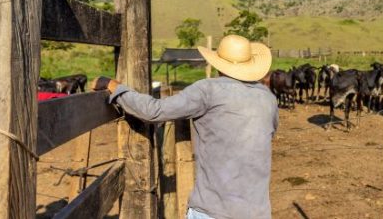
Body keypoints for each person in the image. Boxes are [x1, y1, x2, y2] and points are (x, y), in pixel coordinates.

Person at [91, 34, 278, 219]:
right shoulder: (267, 98)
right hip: (257, 211)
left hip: (214, 210)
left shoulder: (208, 90)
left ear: (217, 63)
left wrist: (115, 86)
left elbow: (154, 111)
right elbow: (268, 133)